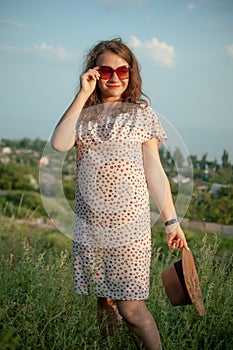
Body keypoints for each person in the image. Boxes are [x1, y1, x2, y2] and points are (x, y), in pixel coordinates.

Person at [51, 38, 189, 350]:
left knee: (131, 309)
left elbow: (155, 171)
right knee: (106, 302)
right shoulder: (83, 115)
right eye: (105, 70)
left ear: (131, 73)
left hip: (131, 228)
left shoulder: (140, 114)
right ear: (94, 73)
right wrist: (83, 93)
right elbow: (59, 144)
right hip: (91, 227)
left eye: (122, 70)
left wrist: (171, 222)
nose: (114, 77)